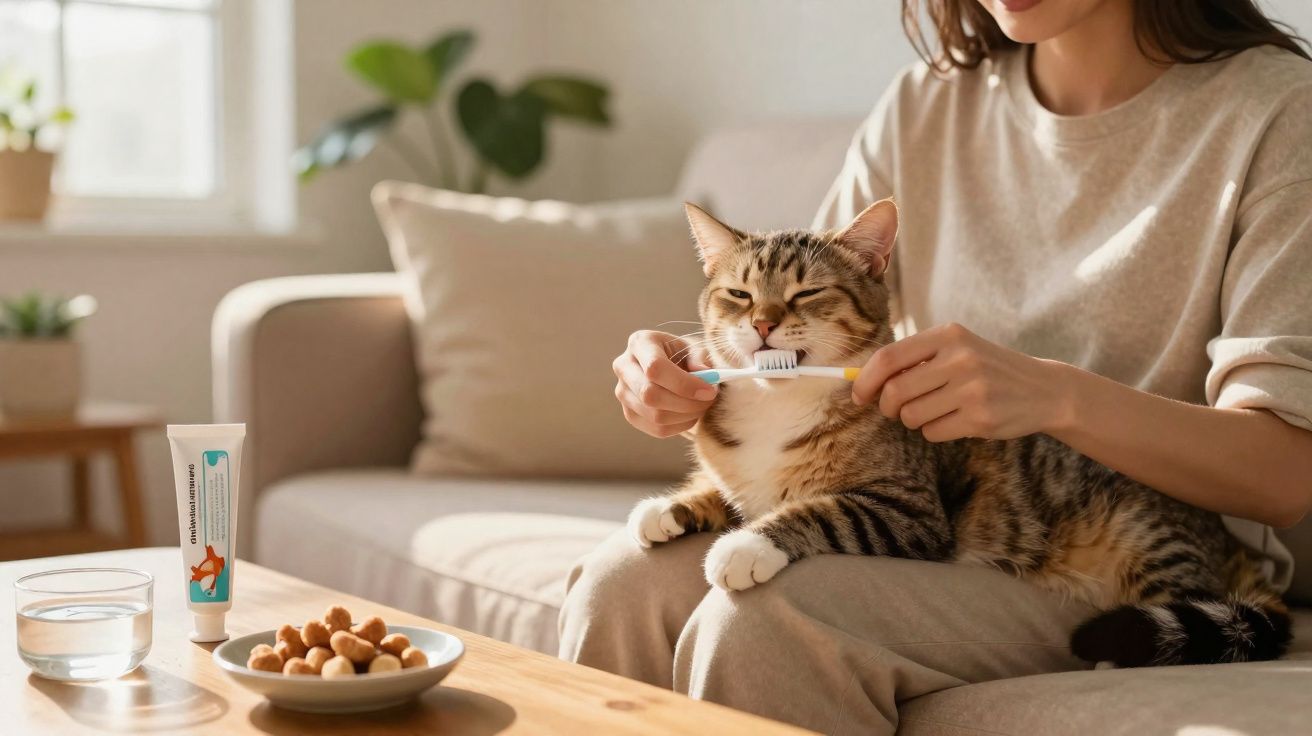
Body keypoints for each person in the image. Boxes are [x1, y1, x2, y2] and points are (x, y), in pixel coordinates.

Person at [560, 1, 1312, 733]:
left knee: (768, 619)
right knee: (617, 583)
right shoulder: (927, 103)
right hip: (930, 505)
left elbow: (1284, 475)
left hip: (1095, 552)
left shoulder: (1278, 112)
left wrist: (1055, 396)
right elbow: (807, 315)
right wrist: (687, 369)